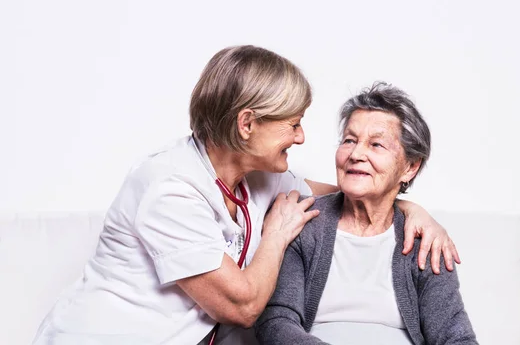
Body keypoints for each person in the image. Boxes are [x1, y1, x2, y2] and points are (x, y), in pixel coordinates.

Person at [33, 46, 460, 345]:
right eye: (292, 124)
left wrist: (408, 206)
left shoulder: (258, 176)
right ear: (247, 124)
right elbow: (244, 307)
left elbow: (349, 189)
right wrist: (274, 236)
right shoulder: (167, 188)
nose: (301, 136)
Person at [255, 82, 477, 345]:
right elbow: (276, 321)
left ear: (409, 167)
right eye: (349, 140)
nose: (356, 154)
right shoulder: (301, 220)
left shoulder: (424, 240)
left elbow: (456, 337)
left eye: (376, 145)